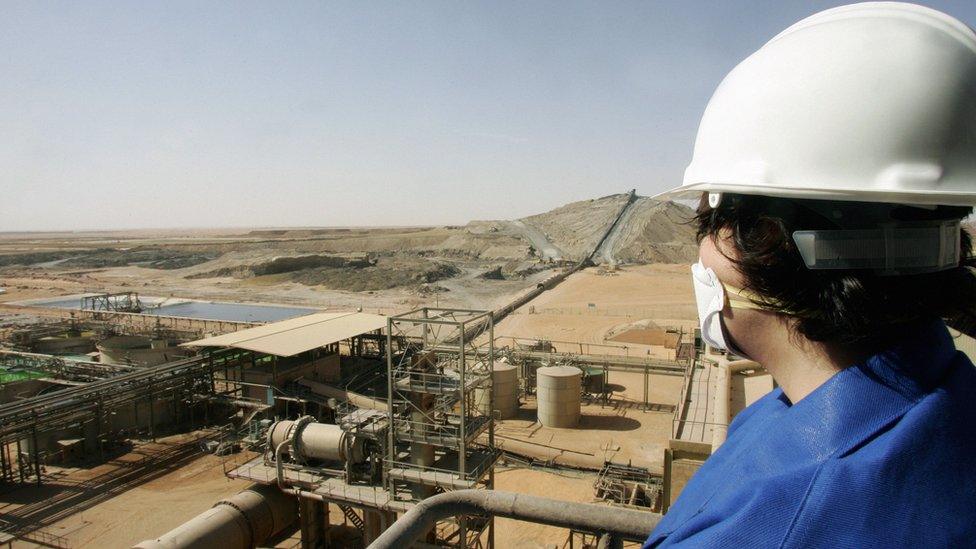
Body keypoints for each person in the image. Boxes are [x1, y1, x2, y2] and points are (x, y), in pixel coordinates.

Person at [644, 3, 976, 547]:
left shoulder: (778, 525)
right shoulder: (941, 404)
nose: (699, 255)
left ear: (759, 244)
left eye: (706, 223)